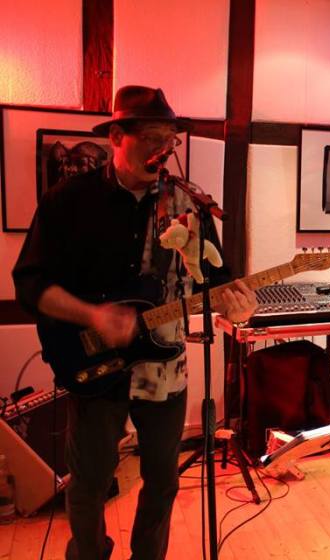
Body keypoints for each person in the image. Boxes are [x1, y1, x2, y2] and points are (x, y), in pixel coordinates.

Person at [13, 85, 257, 560]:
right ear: (116, 137)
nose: (163, 149)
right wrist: (92, 316)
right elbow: (30, 283)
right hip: (93, 365)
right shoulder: (69, 200)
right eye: (150, 137)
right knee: (90, 483)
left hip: (165, 368)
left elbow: (217, 281)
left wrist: (236, 306)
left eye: (170, 139)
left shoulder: (187, 204)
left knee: (163, 481)